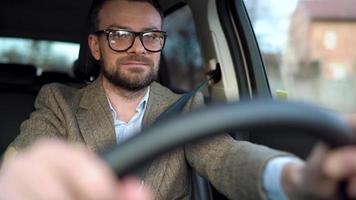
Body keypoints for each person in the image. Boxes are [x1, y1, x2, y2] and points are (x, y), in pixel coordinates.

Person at [2, 0, 356, 199]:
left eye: (151, 36)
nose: (138, 48)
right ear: (96, 46)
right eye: (120, 35)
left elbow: (227, 157)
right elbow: (25, 156)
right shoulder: (58, 101)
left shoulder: (184, 107)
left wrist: (296, 178)